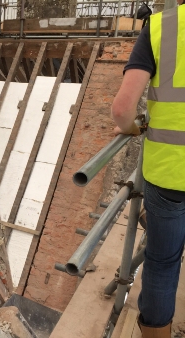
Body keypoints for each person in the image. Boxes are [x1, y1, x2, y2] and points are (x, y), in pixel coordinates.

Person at [111, 1, 185, 337]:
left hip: (169, 174)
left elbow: (124, 108)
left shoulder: (161, 26)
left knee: (163, 261)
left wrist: (129, 128)